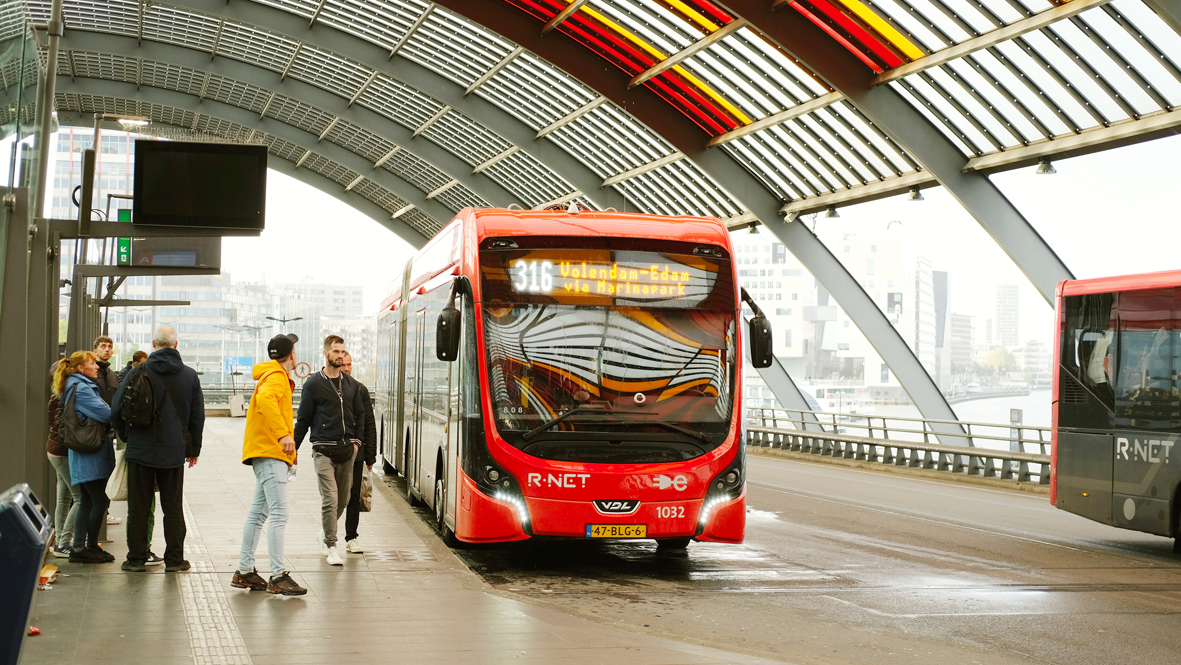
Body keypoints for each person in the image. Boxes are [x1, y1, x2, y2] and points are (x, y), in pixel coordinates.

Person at [110, 325, 204, 573]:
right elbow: (197, 417)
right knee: (173, 508)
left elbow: (116, 409)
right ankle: (174, 560)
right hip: (173, 452)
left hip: (140, 450)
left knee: (139, 508)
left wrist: (127, 436)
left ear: (153, 344)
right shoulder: (189, 375)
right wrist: (193, 449)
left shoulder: (138, 371)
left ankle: (136, 559)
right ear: (175, 344)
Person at [231, 333, 307, 596]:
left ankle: (244, 571)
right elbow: (265, 401)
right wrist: (284, 436)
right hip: (270, 451)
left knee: (259, 513)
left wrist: (288, 446)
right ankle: (277, 575)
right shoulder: (275, 378)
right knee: (279, 514)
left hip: (267, 452)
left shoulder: (271, 375)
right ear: (292, 355)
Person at [294, 335, 365, 566]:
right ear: (326, 354)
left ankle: (324, 533)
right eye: (336, 351)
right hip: (323, 450)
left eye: (343, 352)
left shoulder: (352, 385)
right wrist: (292, 451)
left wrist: (357, 444)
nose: (341, 355)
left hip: (347, 452)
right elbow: (303, 420)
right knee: (330, 499)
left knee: (343, 499)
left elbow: (360, 416)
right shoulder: (314, 384)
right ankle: (332, 546)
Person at [53, 352, 116, 564]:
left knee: (87, 501)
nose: (97, 366)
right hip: (90, 454)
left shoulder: (75, 386)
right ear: (81, 368)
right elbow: (106, 413)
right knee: (99, 500)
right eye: (92, 363)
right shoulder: (81, 389)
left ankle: (82, 547)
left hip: (84, 454)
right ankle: (84, 547)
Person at [46, 360, 83, 558]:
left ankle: (61, 539)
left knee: (64, 498)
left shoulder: (56, 395)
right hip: (62, 452)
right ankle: (63, 542)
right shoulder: (63, 397)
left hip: (55, 450)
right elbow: (63, 426)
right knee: (80, 497)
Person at [341, 352, 377, 554]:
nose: (346, 368)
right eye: (343, 364)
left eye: (349, 364)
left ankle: (351, 537)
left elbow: (369, 423)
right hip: (336, 451)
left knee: (354, 496)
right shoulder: (331, 388)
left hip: (356, 453)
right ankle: (327, 536)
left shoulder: (360, 389)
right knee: (336, 497)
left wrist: (370, 456)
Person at [92, 336, 123, 526]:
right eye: (103, 346)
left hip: (108, 430)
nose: (107, 349)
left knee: (107, 471)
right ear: (95, 350)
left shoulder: (111, 374)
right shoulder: (92, 372)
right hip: (95, 430)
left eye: (110, 347)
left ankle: (105, 512)